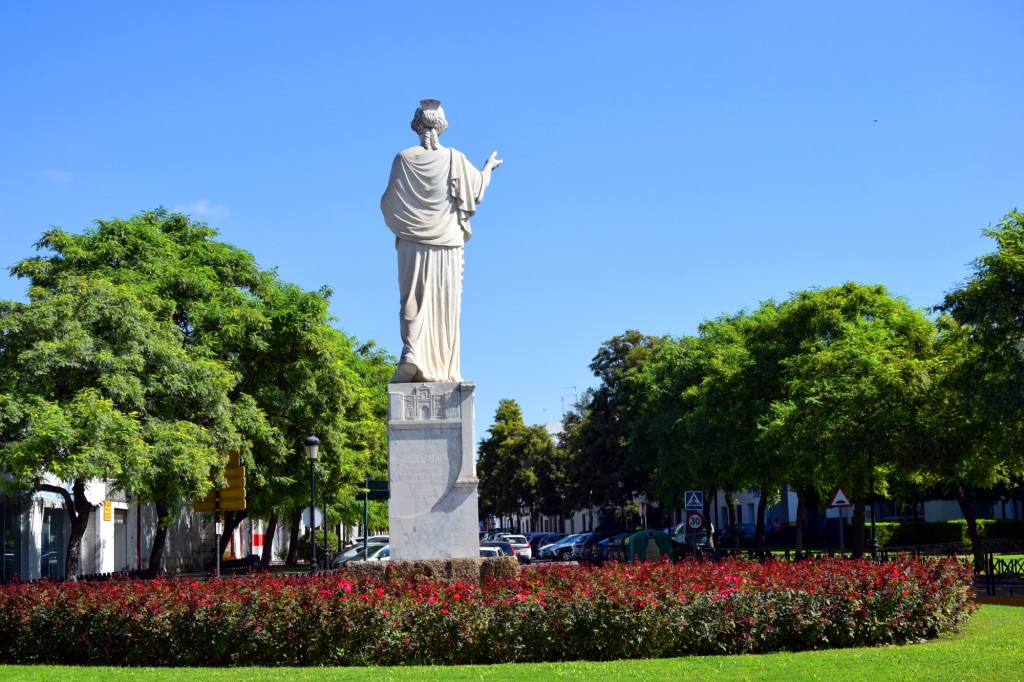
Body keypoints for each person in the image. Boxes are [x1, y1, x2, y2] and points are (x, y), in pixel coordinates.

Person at [380, 99, 502, 383]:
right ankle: (444, 368)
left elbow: (388, 203)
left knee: (412, 299)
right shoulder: (455, 159)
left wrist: (409, 223)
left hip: (412, 243)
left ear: (417, 125)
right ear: (442, 126)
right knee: (445, 308)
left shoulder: (404, 158)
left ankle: (411, 354)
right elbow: (477, 190)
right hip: (448, 243)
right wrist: (487, 167)